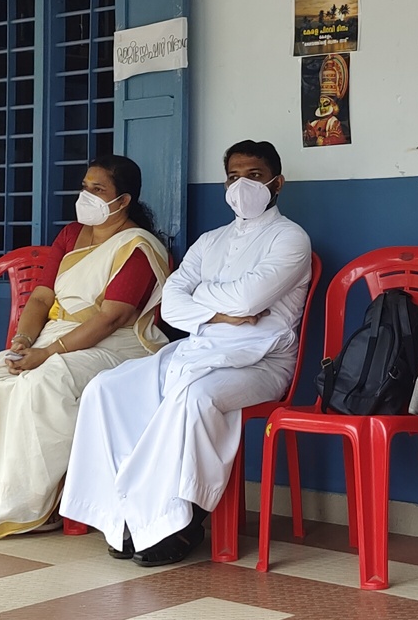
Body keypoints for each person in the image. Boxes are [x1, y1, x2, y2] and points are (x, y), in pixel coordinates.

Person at [61, 140, 314, 567]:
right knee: (105, 388)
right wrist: (223, 312)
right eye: (233, 177)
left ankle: (180, 519)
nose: (242, 186)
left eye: (254, 176)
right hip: (195, 348)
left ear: (277, 183)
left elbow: (248, 299)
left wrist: (207, 298)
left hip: (262, 360)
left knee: (193, 397)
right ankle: (123, 514)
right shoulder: (209, 241)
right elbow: (172, 306)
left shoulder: (291, 238)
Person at [0, 155, 171, 541]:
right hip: (53, 338)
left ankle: (36, 504)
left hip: (118, 346)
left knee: (42, 383)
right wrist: (22, 342)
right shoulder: (70, 234)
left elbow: (111, 318)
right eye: (85, 187)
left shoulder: (138, 246)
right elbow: (40, 297)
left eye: (98, 189)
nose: (86, 196)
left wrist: (48, 354)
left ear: (123, 201)